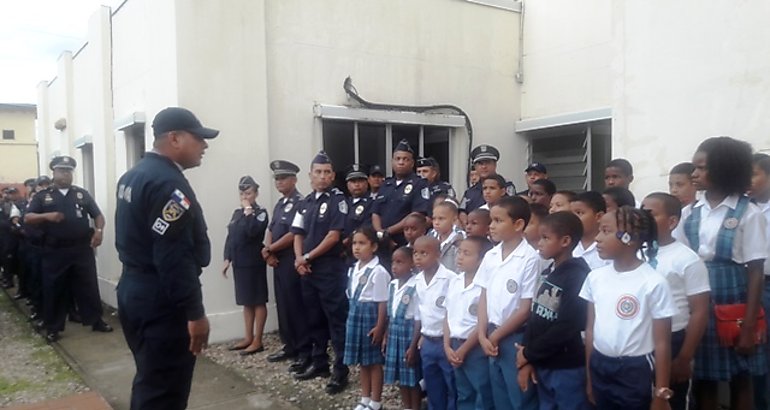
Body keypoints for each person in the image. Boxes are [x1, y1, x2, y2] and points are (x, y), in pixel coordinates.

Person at [114, 107, 217, 409]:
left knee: (151, 379)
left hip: (135, 290)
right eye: (198, 138)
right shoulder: (167, 184)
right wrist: (195, 313)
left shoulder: (134, 175)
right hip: (161, 300)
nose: (205, 145)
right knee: (164, 392)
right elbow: (173, 257)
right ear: (174, 138)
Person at [676, 137, 767, 410]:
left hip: (736, 300)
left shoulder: (748, 213)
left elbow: (756, 272)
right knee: (704, 378)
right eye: (694, 167)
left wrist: (749, 325)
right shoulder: (690, 213)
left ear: (725, 168)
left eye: (701, 168)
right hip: (699, 300)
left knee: (741, 378)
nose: (694, 174)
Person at [580, 206, 677, 409]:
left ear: (629, 238)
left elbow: (662, 343)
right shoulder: (595, 278)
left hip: (635, 370)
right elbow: (590, 330)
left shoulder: (653, 283)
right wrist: (590, 377)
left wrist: (661, 392)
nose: (598, 238)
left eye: (606, 231)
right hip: (599, 363)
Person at [25, 155, 112, 343]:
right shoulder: (43, 196)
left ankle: (95, 320)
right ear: (53, 173)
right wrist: (47, 216)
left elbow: (98, 215)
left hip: (81, 249)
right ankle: (53, 327)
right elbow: (28, 217)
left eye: (69, 171)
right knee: (54, 289)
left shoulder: (81, 194)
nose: (66, 174)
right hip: (55, 251)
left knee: (88, 287)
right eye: (61, 170)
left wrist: (99, 230)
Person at [516, 211, 592, 410]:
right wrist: (527, 354)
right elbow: (536, 314)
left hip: (567, 366)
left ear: (565, 241)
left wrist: (530, 353)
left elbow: (568, 326)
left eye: (546, 238)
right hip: (544, 362)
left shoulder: (578, 276)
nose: (539, 243)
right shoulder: (550, 271)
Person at [643, 192, 711, 410]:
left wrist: (684, 357)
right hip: (640, 339)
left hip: (673, 339)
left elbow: (699, 311)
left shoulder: (687, 259)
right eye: (641, 213)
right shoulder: (635, 253)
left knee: (673, 401)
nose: (643, 219)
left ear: (672, 221)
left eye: (650, 214)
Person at [291, 151, 350, 394]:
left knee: (335, 320)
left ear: (333, 175)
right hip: (307, 269)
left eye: (327, 172)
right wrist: (298, 259)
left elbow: (333, 236)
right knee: (313, 318)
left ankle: (340, 369)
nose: (323, 176)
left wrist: (306, 257)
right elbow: (298, 233)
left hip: (329, 268)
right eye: (318, 172)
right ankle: (319, 363)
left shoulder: (338, 200)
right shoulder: (305, 202)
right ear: (310, 175)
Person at [475, 196, 540, 410]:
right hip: (491, 335)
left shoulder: (530, 258)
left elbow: (524, 309)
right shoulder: (491, 256)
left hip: (514, 337)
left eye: (498, 221)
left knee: (520, 398)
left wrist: (494, 337)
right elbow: (483, 295)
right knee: (498, 395)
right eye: (491, 220)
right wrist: (483, 334)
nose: (491, 226)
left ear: (518, 224)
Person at [263, 160, 312, 372]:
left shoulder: (300, 202)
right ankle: (289, 345)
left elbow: (294, 233)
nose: (279, 182)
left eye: (283, 178)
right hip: (277, 260)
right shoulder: (280, 204)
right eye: (277, 178)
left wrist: (271, 248)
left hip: (292, 259)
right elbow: (272, 228)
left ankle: (304, 350)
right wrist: (268, 251)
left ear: (294, 179)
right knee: (282, 305)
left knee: (295, 306)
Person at [444, 236, 495, 410]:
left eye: (467, 253)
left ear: (482, 259)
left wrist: (464, 350)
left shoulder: (485, 286)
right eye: (459, 252)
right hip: (455, 346)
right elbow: (447, 315)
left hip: (475, 348)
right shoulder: (455, 281)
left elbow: (484, 321)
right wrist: (447, 346)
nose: (460, 257)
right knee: (464, 393)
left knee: (482, 392)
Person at [222, 176, 269, 355]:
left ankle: (258, 340)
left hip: (253, 263)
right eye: (242, 193)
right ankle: (248, 337)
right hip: (240, 263)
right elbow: (231, 236)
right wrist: (227, 258)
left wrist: (249, 210)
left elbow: (253, 232)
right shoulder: (237, 213)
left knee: (257, 300)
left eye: (248, 193)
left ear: (256, 193)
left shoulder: (260, 212)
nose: (245, 196)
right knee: (246, 301)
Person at [344, 227, 390, 410]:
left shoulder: (378, 271)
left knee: (374, 361)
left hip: (370, 317)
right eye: (355, 243)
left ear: (374, 246)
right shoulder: (354, 268)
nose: (357, 247)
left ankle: (376, 401)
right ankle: (365, 398)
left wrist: (380, 326)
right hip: (355, 315)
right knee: (363, 361)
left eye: (362, 243)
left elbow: (382, 302)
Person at [413, 235, 456, 410]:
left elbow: (452, 312)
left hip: (446, 341)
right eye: (415, 253)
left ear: (438, 254)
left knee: (452, 385)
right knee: (433, 385)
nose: (418, 257)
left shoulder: (450, 279)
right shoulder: (417, 280)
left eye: (424, 253)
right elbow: (420, 312)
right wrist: (420, 336)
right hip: (428, 341)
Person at [372, 140, 431, 262]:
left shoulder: (419, 184)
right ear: (392, 162)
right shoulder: (386, 184)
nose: (401, 162)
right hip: (382, 243)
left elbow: (417, 214)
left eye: (405, 159)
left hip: (403, 243)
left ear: (412, 163)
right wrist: (380, 233)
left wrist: (388, 231)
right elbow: (375, 212)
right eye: (397, 159)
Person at [383, 246, 422, 410]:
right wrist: (385, 336)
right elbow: (389, 315)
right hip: (394, 333)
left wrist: (413, 346)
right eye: (393, 262)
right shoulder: (392, 285)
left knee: (411, 378)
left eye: (400, 262)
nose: (394, 266)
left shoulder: (416, 286)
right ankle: (406, 406)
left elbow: (418, 320)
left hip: (408, 335)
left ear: (412, 264)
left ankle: (415, 406)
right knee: (401, 377)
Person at [750, 153, 770, 410]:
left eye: (753, 174)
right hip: (753, 287)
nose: (747, 181)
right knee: (757, 358)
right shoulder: (744, 209)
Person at [459, 145, 516, 219]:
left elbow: (513, 209)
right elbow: (462, 211)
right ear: (475, 167)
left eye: (487, 162)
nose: (484, 167)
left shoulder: (507, 186)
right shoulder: (470, 192)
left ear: (495, 165)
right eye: (480, 163)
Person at [569, 192, 610, 270]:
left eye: (579, 213)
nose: (573, 218)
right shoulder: (567, 245)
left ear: (599, 217)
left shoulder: (610, 248)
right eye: (571, 214)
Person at [430, 200, 465, 273]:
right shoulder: (430, 236)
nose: (436, 223)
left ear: (454, 220)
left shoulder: (460, 238)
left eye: (441, 219)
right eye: (434, 218)